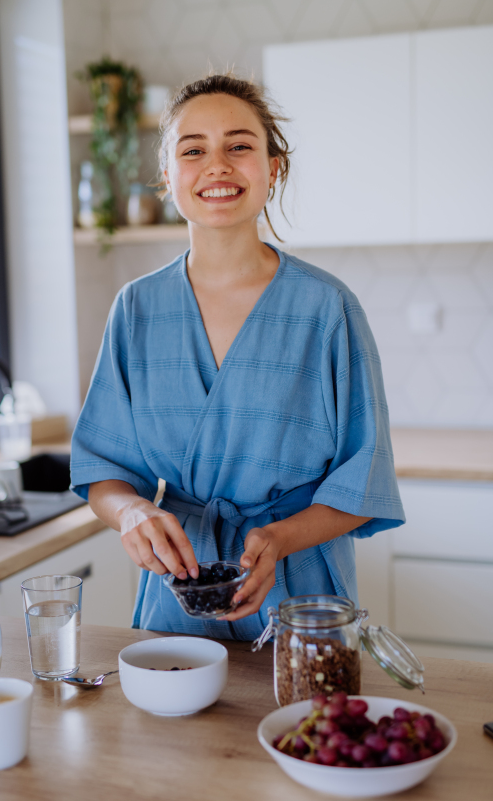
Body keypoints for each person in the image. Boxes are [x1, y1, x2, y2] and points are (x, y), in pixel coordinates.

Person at [71, 73, 404, 641]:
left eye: (240, 146)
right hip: (178, 594)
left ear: (273, 168)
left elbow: (363, 484)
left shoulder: (327, 310)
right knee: (169, 727)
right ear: (167, 177)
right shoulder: (137, 309)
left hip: (300, 597)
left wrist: (279, 539)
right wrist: (132, 513)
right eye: (193, 149)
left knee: (299, 728)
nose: (217, 165)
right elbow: (103, 469)